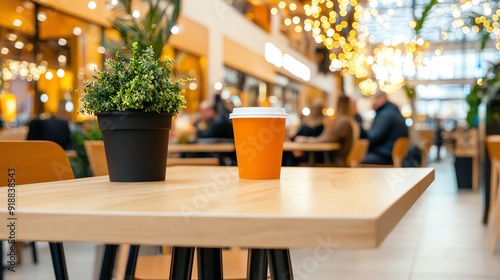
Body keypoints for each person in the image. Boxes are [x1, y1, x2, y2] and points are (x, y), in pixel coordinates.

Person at [294, 95, 354, 167]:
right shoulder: (343, 121)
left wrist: (305, 140)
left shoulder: (343, 122)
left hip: (334, 163)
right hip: (333, 160)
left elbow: (324, 140)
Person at [361, 90, 409, 165]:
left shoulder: (386, 115)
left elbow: (373, 137)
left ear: (382, 98)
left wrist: (361, 131)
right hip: (391, 155)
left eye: (374, 99)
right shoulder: (393, 111)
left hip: (385, 155)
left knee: (352, 159)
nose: (372, 103)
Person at [290, 100, 325, 165]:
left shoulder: (305, 126)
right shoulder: (324, 126)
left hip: (304, 155)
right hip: (319, 156)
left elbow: (294, 138)